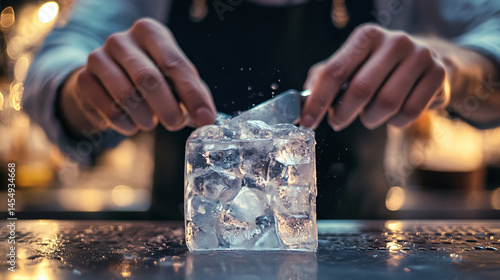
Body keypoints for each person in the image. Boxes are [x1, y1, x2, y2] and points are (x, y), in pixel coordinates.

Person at [23, 0, 500, 219]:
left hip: (364, 253)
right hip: (182, 258)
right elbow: (55, 63)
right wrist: (83, 94)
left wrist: (460, 69)